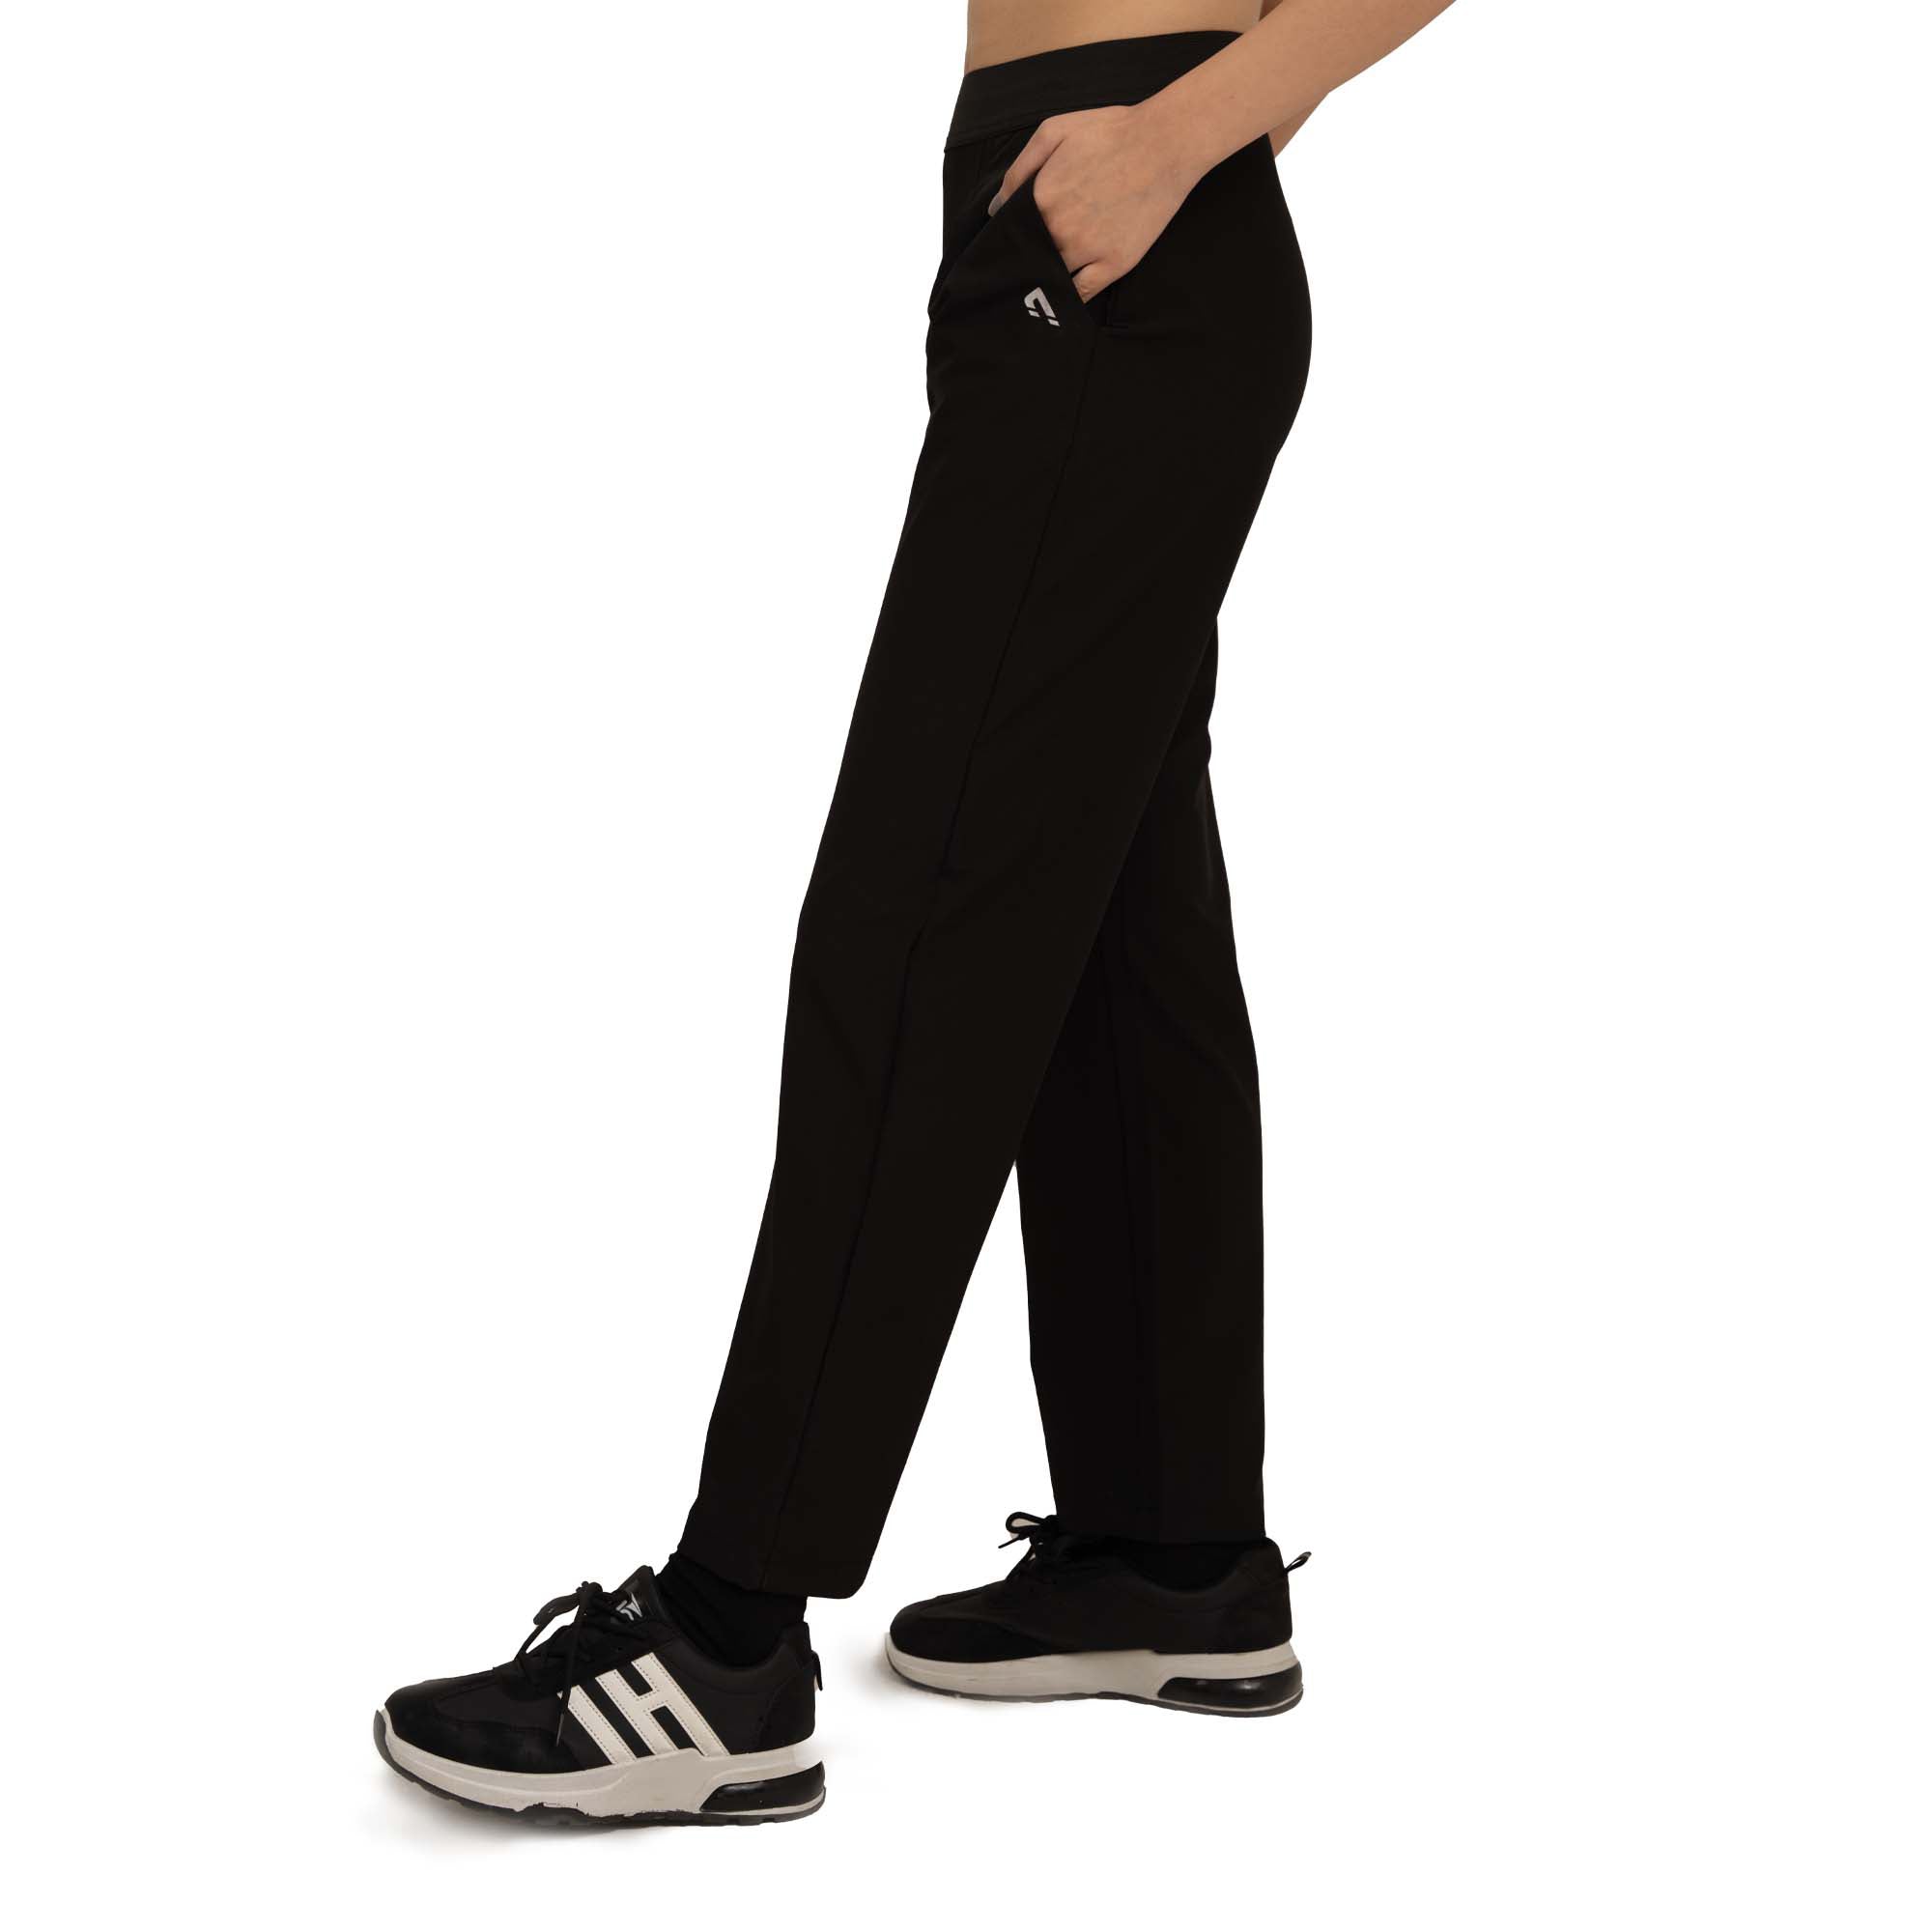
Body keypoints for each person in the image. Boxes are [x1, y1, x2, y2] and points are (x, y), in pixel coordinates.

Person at [376, 0, 1455, 1826]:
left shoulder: (1154, 158)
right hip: (1101, 223)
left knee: (923, 920)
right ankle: (1170, 1547)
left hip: (1124, 223)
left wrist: (1184, 131)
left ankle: (728, 1635)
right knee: (1111, 924)